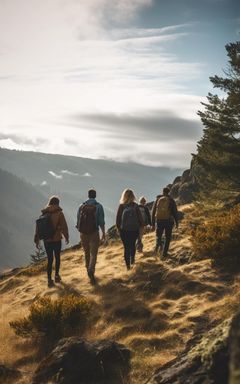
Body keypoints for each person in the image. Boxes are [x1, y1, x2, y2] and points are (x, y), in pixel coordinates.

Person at [34, 195, 69, 288]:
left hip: (47, 240)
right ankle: (57, 276)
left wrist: (36, 240)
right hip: (57, 239)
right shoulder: (59, 213)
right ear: (57, 203)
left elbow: (38, 229)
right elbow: (64, 226)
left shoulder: (43, 213)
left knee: (49, 259)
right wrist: (66, 237)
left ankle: (49, 280)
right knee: (57, 257)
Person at [76, 189, 105, 285]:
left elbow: (78, 220)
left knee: (86, 252)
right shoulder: (99, 206)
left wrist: (80, 230)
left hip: (83, 233)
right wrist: (103, 233)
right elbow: (101, 221)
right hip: (94, 232)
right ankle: (91, 270)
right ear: (95, 196)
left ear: (88, 195)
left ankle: (87, 270)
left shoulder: (81, 206)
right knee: (94, 253)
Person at [116, 189, 144, 270]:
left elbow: (118, 219)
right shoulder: (135, 206)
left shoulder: (121, 206)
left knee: (126, 247)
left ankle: (128, 266)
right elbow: (140, 219)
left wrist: (119, 228)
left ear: (124, 196)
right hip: (134, 230)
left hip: (124, 230)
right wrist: (142, 227)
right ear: (133, 196)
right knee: (132, 246)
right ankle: (132, 261)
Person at [151, 187, 178, 258]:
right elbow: (175, 212)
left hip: (159, 220)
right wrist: (177, 222)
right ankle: (164, 253)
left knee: (158, 236)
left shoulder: (157, 199)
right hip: (168, 221)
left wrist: (153, 223)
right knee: (167, 237)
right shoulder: (171, 200)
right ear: (169, 192)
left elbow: (153, 212)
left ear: (162, 192)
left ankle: (157, 249)